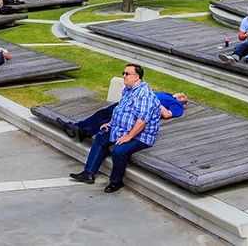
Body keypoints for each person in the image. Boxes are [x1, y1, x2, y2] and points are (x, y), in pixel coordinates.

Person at [68, 64, 162, 193]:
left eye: (127, 74)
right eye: (123, 73)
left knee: (119, 150)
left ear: (137, 77)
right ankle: (88, 173)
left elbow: (142, 121)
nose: (124, 76)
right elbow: (120, 109)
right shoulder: (128, 90)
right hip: (123, 129)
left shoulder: (145, 96)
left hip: (141, 135)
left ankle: (116, 181)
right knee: (101, 136)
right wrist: (110, 123)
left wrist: (129, 136)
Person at [57, 92, 188, 143]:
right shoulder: (167, 94)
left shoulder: (177, 105)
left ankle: (85, 132)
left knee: (109, 120)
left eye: (184, 97)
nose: (182, 94)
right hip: (129, 102)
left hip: (137, 109)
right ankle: (76, 127)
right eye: (182, 93)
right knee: (103, 112)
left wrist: (153, 101)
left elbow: (167, 114)